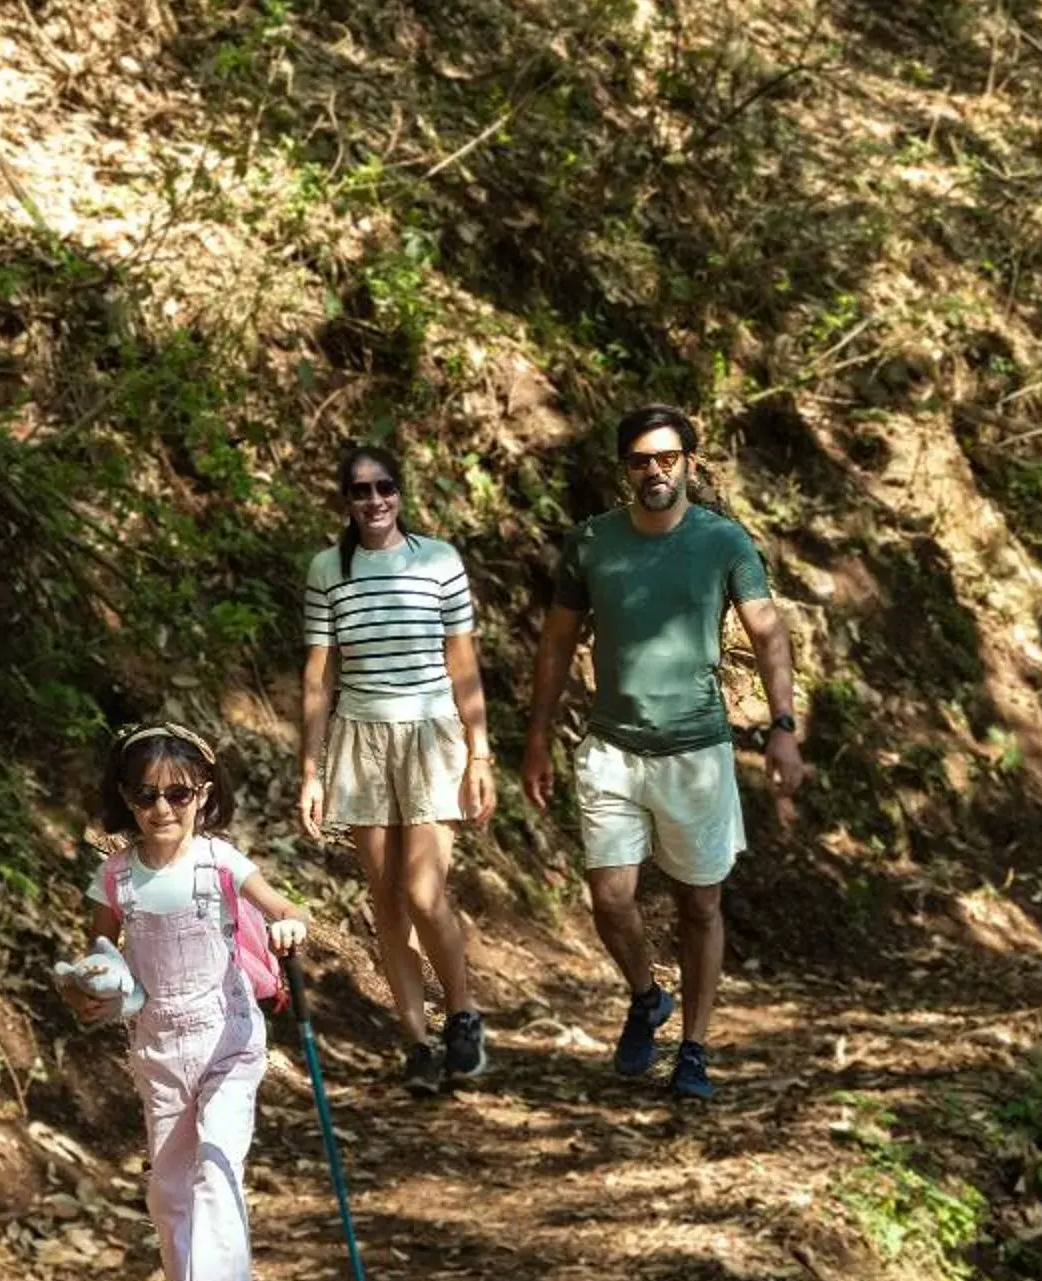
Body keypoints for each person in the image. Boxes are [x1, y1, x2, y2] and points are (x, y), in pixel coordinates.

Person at [521, 405, 804, 1101]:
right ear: (626, 469)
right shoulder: (591, 544)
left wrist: (784, 724)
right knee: (610, 898)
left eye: (668, 458)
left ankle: (695, 1050)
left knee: (699, 905)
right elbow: (557, 643)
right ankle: (648, 996)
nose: (656, 471)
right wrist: (536, 738)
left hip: (696, 751)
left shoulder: (724, 542)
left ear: (690, 463)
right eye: (642, 460)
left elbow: (768, 634)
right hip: (613, 746)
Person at [62, 721, 311, 1281]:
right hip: (158, 1050)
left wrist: (287, 922)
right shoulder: (115, 878)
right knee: (168, 1189)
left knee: (214, 1166)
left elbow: (281, 903)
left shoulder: (221, 862)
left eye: (179, 794)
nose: (163, 809)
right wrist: (94, 987)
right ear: (125, 798)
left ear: (204, 795)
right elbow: (102, 953)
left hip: (228, 1037)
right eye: (146, 797)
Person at [294, 443, 495, 1096]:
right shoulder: (329, 569)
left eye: (385, 487)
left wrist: (480, 752)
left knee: (422, 888)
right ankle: (416, 1040)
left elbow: (463, 662)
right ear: (345, 502)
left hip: (432, 734)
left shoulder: (438, 560)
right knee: (384, 897)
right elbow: (319, 673)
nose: (374, 500)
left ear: (401, 493)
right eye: (360, 491)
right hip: (360, 737)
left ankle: (462, 1013)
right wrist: (311, 769)